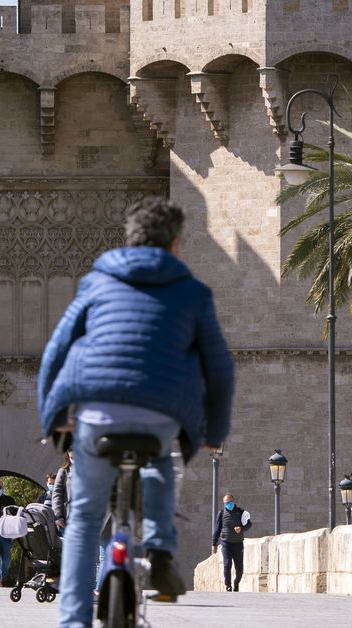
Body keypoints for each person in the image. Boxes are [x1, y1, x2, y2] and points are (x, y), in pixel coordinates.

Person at [38, 196, 236, 628]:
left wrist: (51, 415)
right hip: (162, 409)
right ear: (176, 244)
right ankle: (162, 554)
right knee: (162, 457)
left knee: (86, 517)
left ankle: (73, 621)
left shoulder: (96, 283)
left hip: (95, 410)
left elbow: (55, 352)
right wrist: (215, 429)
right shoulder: (193, 292)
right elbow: (219, 368)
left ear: (129, 240)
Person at [211, 494, 249, 591]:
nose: (228, 504)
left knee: (239, 568)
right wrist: (214, 543)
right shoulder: (221, 513)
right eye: (226, 503)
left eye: (230, 502)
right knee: (227, 564)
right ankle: (228, 585)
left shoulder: (241, 512)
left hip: (238, 543)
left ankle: (236, 582)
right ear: (224, 503)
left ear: (233, 501)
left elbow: (248, 525)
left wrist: (241, 528)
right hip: (226, 543)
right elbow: (217, 529)